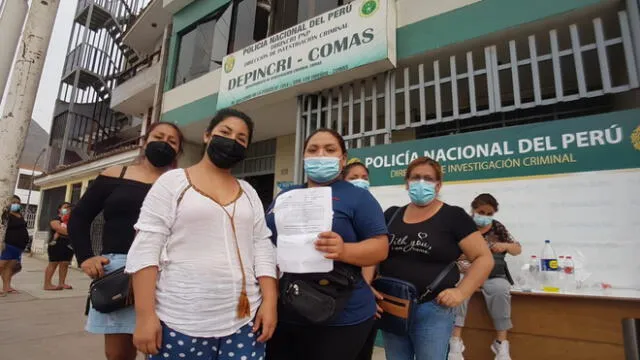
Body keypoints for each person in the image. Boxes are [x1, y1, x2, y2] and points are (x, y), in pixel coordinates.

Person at [125, 108, 277, 360]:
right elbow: (146, 248)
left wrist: (270, 302)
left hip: (244, 319)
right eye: (225, 132)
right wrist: (145, 316)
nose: (231, 141)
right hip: (180, 319)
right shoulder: (173, 182)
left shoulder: (249, 192)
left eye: (241, 139)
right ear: (207, 135)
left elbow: (262, 246)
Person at [265, 128, 389, 360]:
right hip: (286, 311)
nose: (320, 154)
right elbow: (264, 242)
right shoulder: (286, 196)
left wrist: (344, 250)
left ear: (342, 159)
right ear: (304, 158)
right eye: (313, 150)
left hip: (342, 315)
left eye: (329, 149)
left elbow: (380, 248)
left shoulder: (358, 197)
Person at [68, 122, 184, 360]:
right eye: (159, 137)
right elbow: (79, 218)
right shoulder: (115, 174)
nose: (164, 143)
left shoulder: (179, 184)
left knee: (164, 349)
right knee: (118, 354)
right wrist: (85, 256)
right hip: (118, 272)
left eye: (172, 141)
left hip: (167, 272)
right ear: (144, 141)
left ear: (178, 150)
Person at [377, 157, 494, 360]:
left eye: (428, 178)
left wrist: (461, 292)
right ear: (407, 182)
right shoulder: (392, 215)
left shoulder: (453, 216)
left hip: (432, 309)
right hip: (393, 306)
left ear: (438, 185)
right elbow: (374, 253)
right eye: (416, 177)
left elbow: (484, 258)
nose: (421, 183)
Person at [448, 193, 522, 360]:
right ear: (473, 210)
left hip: (493, 275)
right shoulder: (462, 226)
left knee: (501, 289)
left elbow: (517, 249)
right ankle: (455, 342)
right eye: (481, 212)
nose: (485, 217)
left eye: (489, 214)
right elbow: (450, 251)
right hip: (465, 273)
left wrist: (505, 245)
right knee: (458, 288)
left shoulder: (497, 228)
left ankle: (501, 344)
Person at [0, 195, 29, 296]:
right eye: (13, 202)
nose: (16, 204)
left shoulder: (20, 215)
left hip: (18, 246)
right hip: (9, 244)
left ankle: (7, 287)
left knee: (10, 267)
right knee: (1, 265)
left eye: (18, 202)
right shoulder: (6, 215)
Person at [44, 202, 74, 290]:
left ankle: (62, 283)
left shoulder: (71, 220)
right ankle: (47, 284)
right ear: (59, 209)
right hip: (56, 243)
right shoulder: (55, 219)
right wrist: (72, 232)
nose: (67, 209)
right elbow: (58, 228)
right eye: (65, 207)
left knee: (65, 263)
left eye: (69, 208)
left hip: (68, 244)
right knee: (53, 263)